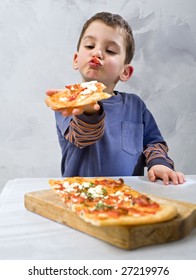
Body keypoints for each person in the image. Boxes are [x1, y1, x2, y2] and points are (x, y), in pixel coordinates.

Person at [46, 12, 185, 185]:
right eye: (89, 46)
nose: (97, 52)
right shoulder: (68, 102)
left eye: (110, 50)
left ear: (125, 72)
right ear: (76, 60)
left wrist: (159, 164)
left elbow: (153, 142)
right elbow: (82, 137)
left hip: (130, 195)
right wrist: (88, 111)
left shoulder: (136, 106)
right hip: (81, 195)